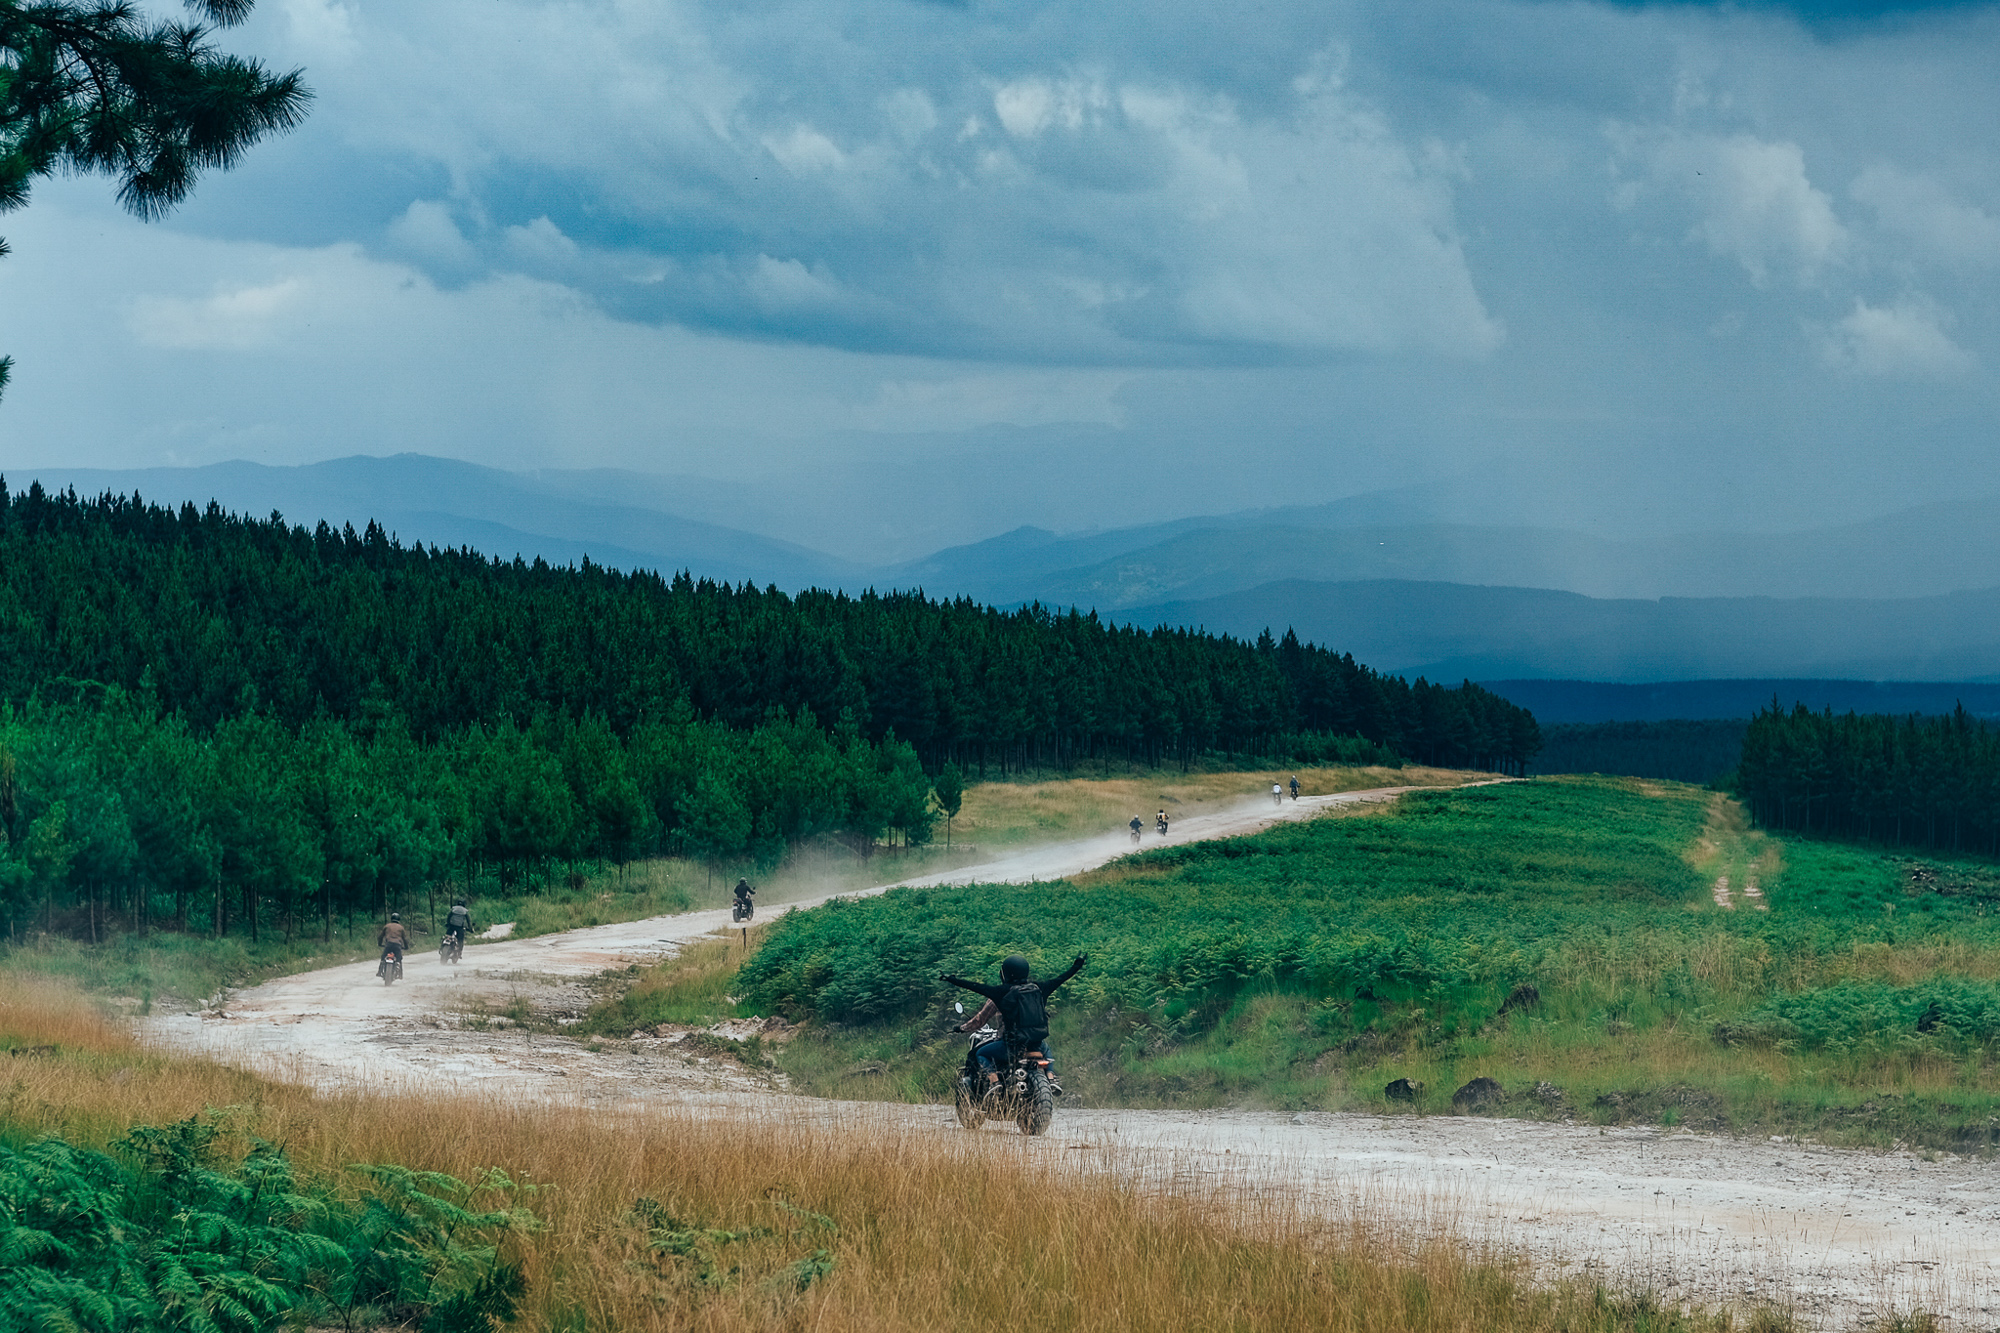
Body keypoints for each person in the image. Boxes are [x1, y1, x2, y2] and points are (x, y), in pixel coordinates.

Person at [941, 952, 1087, 1096]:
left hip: (1010, 1046)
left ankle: (994, 1082)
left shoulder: (1001, 992)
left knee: (981, 1053)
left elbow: (976, 987)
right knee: (1047, 1051)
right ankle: (1051, 1077)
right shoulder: (1040, 988)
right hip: (1036, 1043)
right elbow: (1062, 978)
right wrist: (1078, 964)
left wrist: (952, 980)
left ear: (1005, 974)